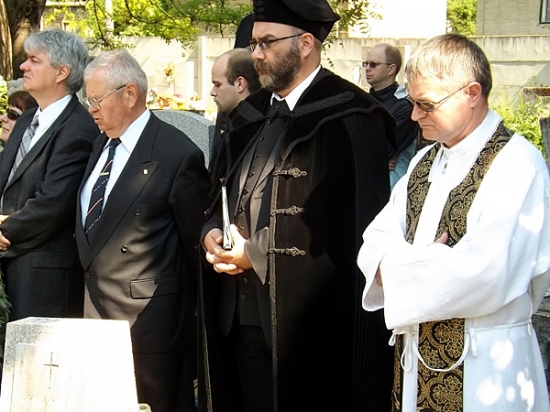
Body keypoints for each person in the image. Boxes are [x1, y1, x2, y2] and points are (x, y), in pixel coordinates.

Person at [199, 0, 396, 410]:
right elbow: (218, 193)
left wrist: (255, 253)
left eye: (267, 42)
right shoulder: (251, 115)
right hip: (238, 321)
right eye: (253, 43)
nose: (256, 54)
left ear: (305, 44)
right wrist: (211, 232)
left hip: (308, 330)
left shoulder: (352, 115)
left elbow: (356, 229)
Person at [358, 33, 550, 412]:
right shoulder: (424, 162)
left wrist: (398, 265)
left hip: (486, 370)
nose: (415, 116)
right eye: (412, 103)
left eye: (427, 104)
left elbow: (486, 274)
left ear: (472, 93)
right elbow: (375, 240)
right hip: (415, 366)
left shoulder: (516, 164)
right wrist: (426, 261)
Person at [75, 49, 210, 412]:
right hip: (96, 319)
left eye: (96, 99)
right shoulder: (101, 144)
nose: (91, 109)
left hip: (150, 331)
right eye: (88, 100)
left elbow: (195, 247)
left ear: (130, 94)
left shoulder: (176, 154)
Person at [0, 29, 98, 320]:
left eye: (34, 60)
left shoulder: (78, 129)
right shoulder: (27, 119)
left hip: (42, 278)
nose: (23, 66)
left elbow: (54, 204)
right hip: (9, 263)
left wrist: (5, 231)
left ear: (61, 72)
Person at [365, 43, 419, 189]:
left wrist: (375, 159)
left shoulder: (404, 106)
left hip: (391, 185)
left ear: (391, 69)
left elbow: (384, 149)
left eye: (374, 64)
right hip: (367, 178)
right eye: (366, 64)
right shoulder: (362, 101)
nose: (367, 68)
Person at [209, 48, 260, 176]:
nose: (212, 92)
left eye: (218, 85)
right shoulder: (228, 123)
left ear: (240, 84)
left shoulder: (255, 132)